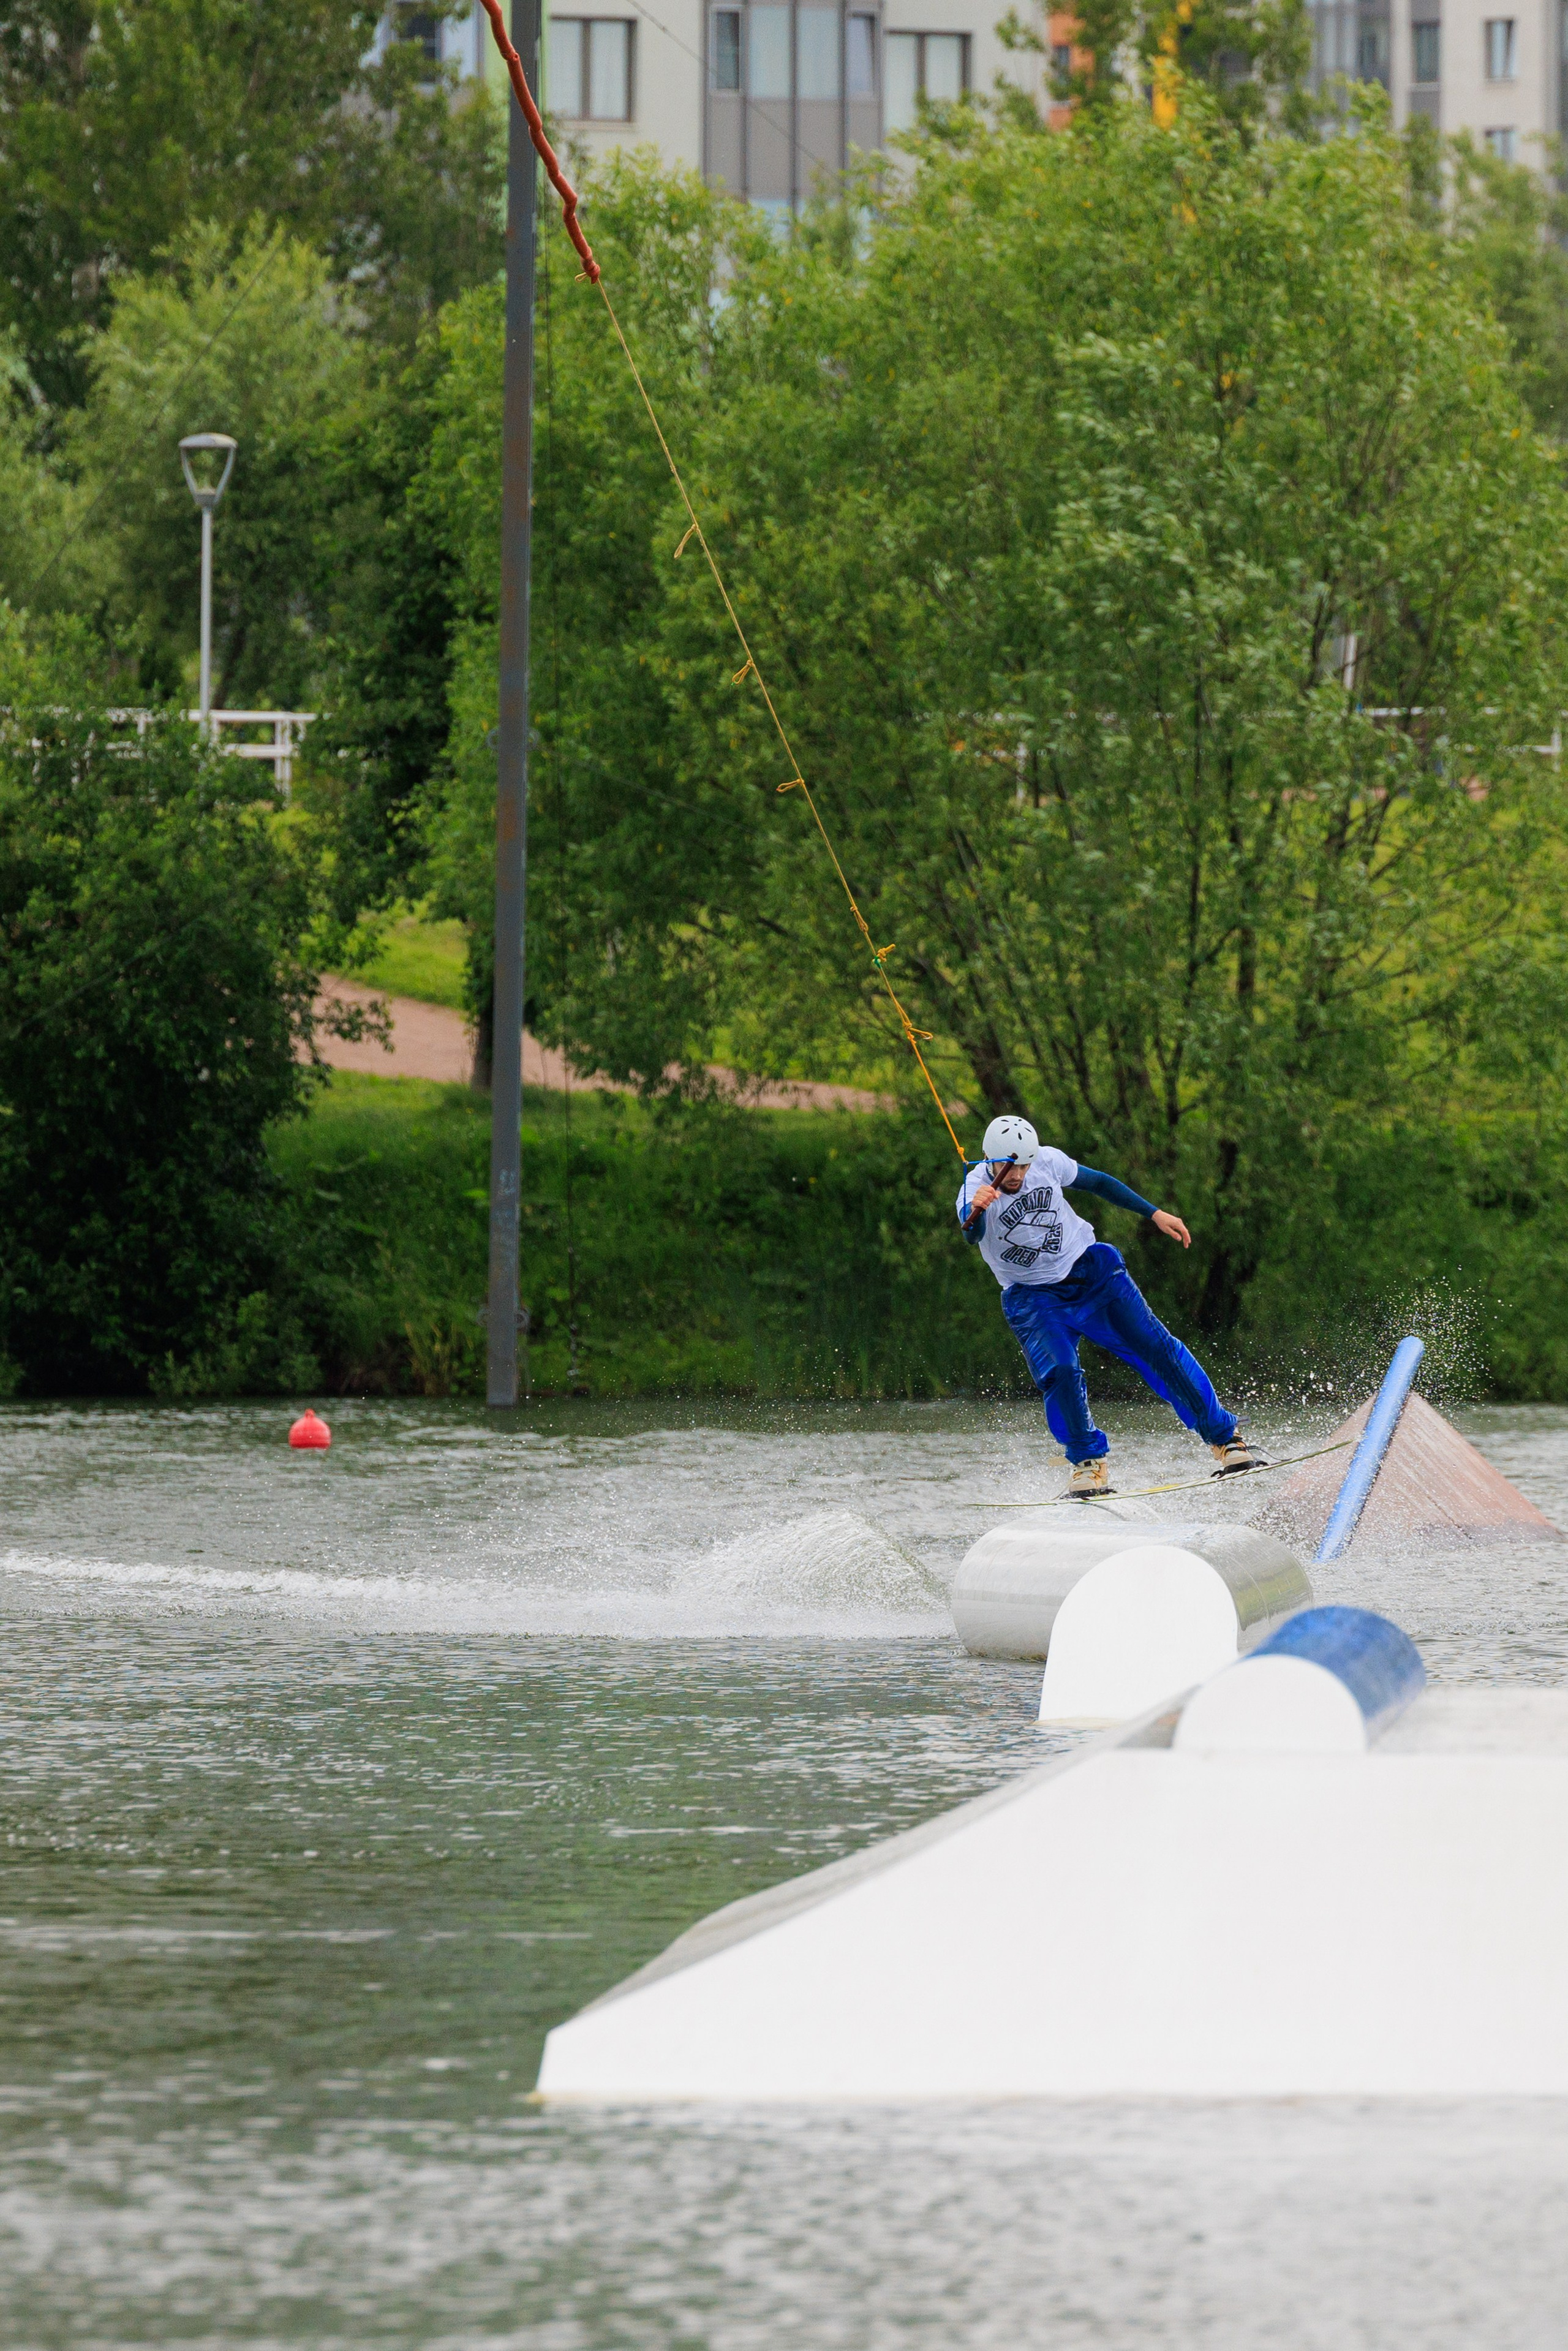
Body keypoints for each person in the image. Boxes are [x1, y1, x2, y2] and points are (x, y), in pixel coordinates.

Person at [956, 1114, 1262, 1498]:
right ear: (989, 1159)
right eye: (1008, 1165)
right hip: (1033, 1298)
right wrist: (978, 1212)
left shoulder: (1048, 1162)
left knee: (1156, 1347)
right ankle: (1088, 1463)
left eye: (1023, 1165)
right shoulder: (973, 1190)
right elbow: (972, 1235)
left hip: (1091, 1273)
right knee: (1061, 1372)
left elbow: (1098, 1182)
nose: (1016, 1174)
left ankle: (1225, 1439)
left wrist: (1154, 1213)